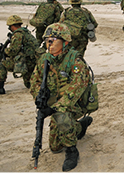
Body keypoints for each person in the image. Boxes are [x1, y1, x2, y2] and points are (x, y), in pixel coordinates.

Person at [29, 23, 94, 172]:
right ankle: (80, 126)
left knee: (61, 117)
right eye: (47, 41)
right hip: (55, 104)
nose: (49, 44)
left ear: (65, 42)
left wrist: (53, 108)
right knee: (55, 147)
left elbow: (78, 87)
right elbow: (34, 80)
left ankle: (72, 151)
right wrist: (39, 97)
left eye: (53, 40)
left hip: (74, 103)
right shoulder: (45, 59)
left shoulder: (75, 61)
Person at [0, 15, 41, 95]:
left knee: (3, 64)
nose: (9, 28)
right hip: (33, 61)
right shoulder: (26, 33)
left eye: (9, 26)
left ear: (12, 25)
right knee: (28, 84)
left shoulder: (17, 35)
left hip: (26, 62)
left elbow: (13, 51)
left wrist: (5, 51)